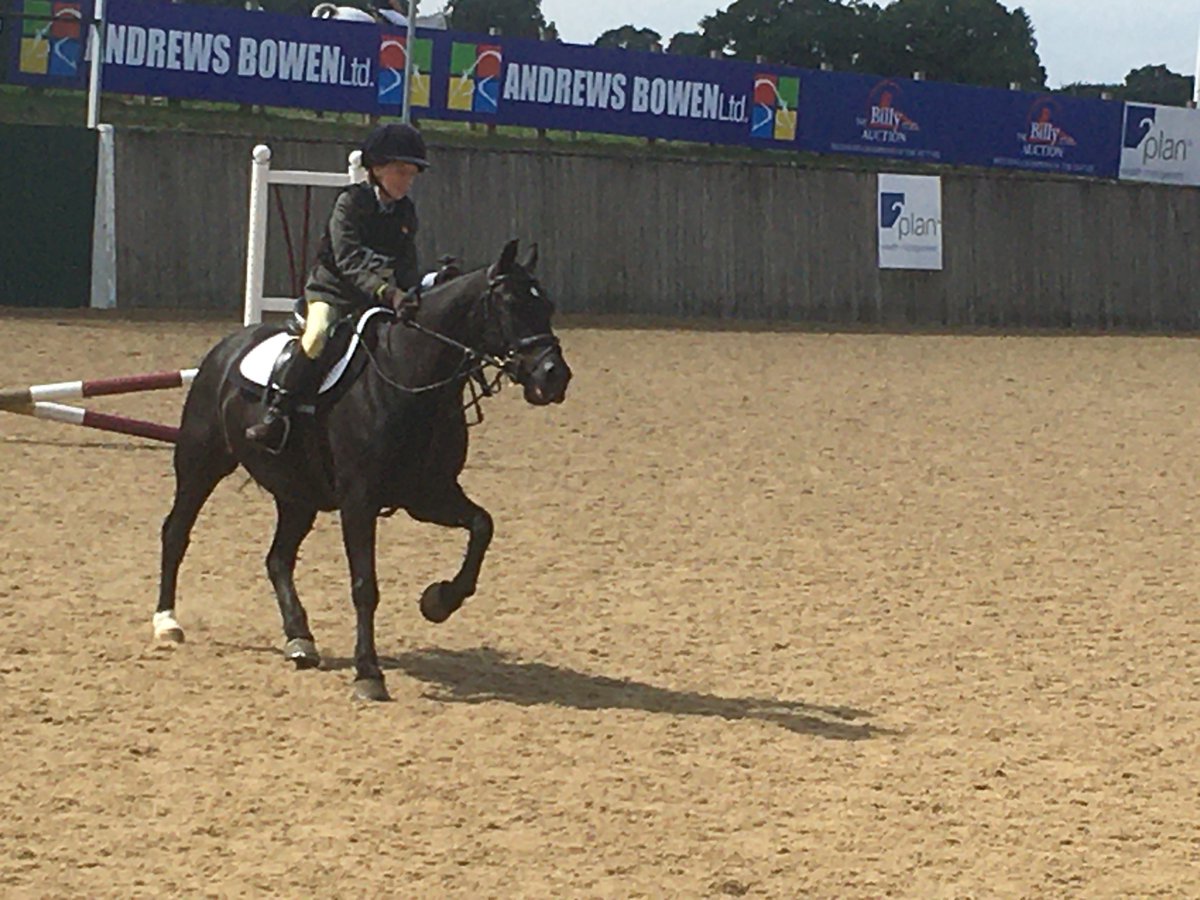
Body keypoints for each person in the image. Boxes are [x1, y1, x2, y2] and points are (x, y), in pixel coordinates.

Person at [246, 122, 429, 445]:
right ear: (376, 169)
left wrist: (413, 293)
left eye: (412, 174)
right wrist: (389, 293)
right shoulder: (350, 204)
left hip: (375, 300)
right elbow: (349, 261)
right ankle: (278, 413)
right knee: (316, 338)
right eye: (401, 172)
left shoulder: (405, 212)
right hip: (332, 293)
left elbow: (406, 263)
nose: (407, 181)